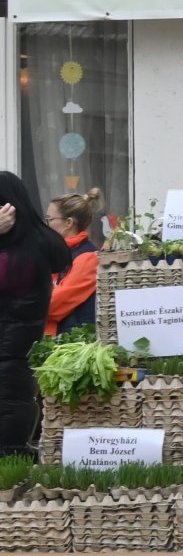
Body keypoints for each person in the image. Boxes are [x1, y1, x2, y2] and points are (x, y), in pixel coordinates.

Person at [0, 174, 73, 459]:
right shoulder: (40, 240)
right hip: (24, 345)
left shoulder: (18, 252)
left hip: (11, 345)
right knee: (18, 399)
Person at [46, 189, 103, 336]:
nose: (46, 225)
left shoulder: (89, 258)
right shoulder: (60, 253)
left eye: (50, 219)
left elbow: (51, 305)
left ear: (68, 223)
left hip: (72, 343)